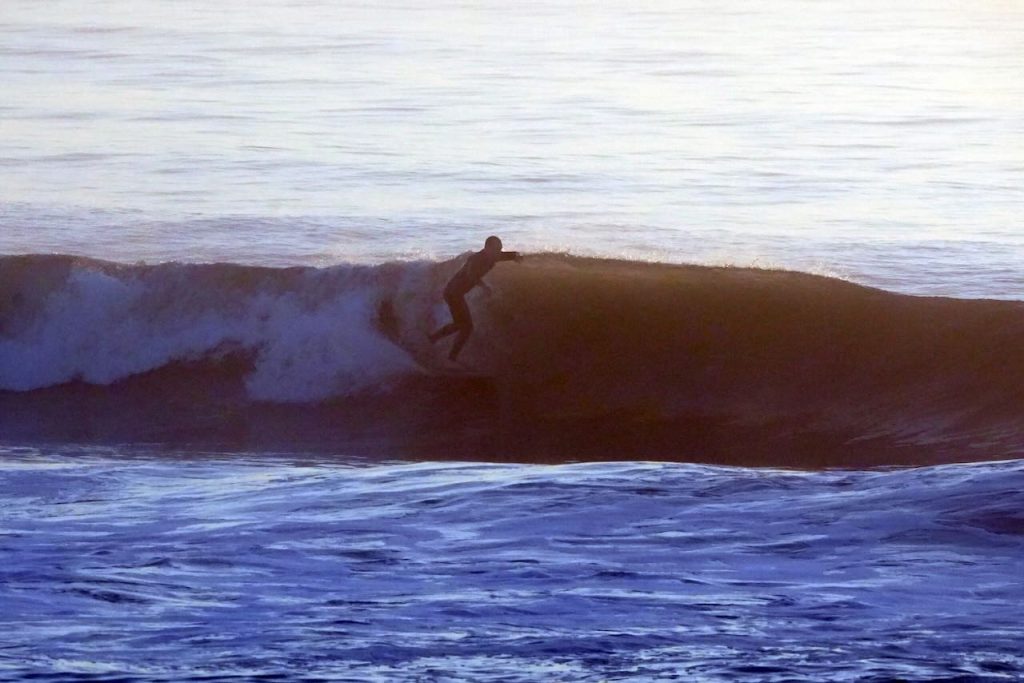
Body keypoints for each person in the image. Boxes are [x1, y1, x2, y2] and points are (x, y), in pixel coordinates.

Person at [429, 236, 523, 361]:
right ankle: (449, 355)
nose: (498, 252)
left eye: (500, 249)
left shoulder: (493, 256)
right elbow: (471, 275)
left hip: (456, 293)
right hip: (453, 293)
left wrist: (517, 256)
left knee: (461, 325)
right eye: (496, 249)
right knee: (466, 327)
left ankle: (435, 340)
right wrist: (484, 287)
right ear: (487, 248)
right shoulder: (476, 259)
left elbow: (510, 255)